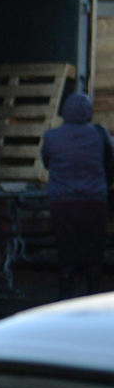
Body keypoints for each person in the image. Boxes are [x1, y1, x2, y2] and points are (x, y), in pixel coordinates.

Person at [41, 91, 114, 299]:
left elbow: (47, 162)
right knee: (94, 251)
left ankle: (66, 297)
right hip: (94, 201)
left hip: (62, 203)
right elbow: (110, 162)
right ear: (89, 112)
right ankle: (92, 296)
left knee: (67, 250)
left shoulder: (51, 137)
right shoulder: (100, 133)